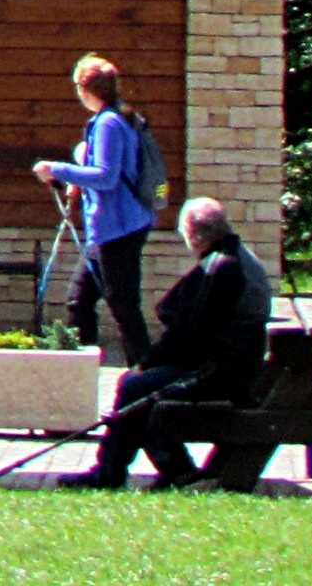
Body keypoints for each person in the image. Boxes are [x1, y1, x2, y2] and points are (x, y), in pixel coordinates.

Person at [69, 197, 273, 488]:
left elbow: (186, 333)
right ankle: (172, 471)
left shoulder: (219, 268)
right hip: (235, 367)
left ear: (193, 234)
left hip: (220, 374)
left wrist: (147, 364)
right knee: (140, 388)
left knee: (135, 387)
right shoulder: (237, 258)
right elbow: (180, 316)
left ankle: (113, 473)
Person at [32, 54, 160, 364]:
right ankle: (85, 369)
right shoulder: (116, 118)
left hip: (118, 229)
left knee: (123, 306)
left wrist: (57, 169)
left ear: (87, 89)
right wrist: (78, 177)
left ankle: (145, 376)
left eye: (77, 86)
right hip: (106, 229)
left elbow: (106, 175)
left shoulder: (108, 123)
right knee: (79, 300)